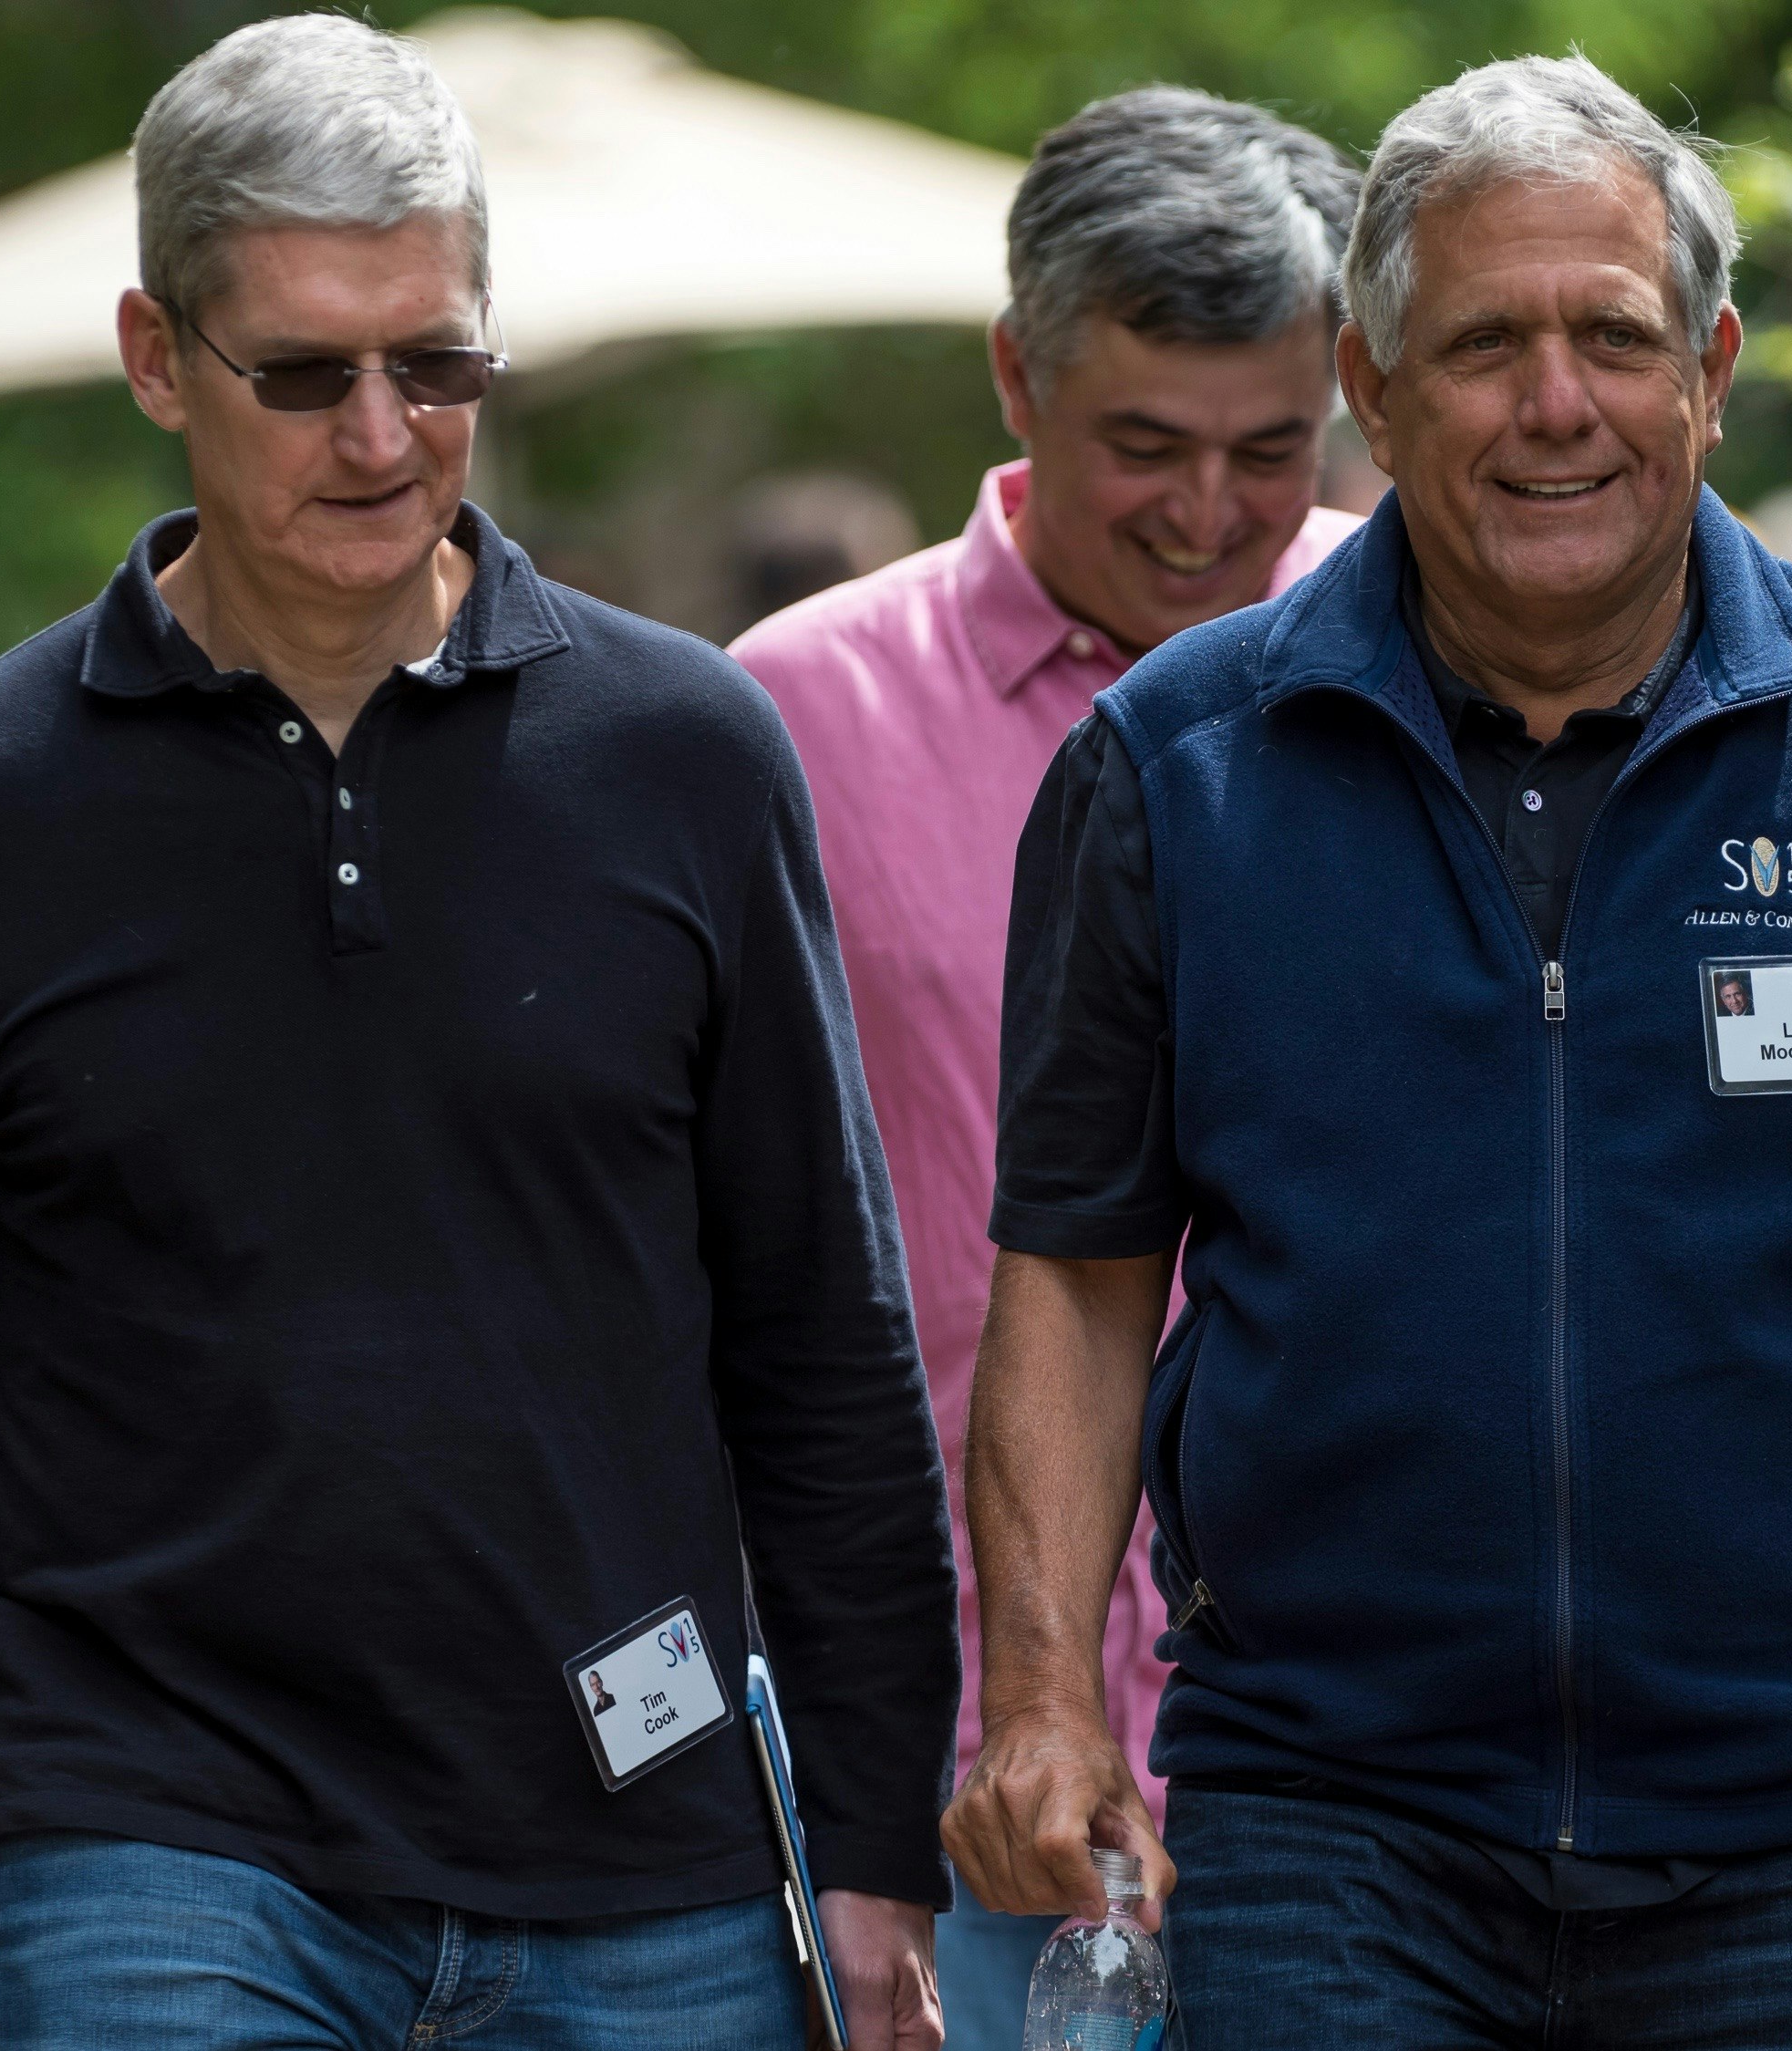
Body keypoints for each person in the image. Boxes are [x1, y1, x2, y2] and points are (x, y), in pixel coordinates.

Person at [944, 54, 1792, 2051]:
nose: (1554, 401)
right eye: (1483, 341)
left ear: (1712, 367)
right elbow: (1070, 1275)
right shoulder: (1177, 768)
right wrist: (1046, 1691)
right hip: (1336, 1823)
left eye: (1612, 334)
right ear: (1372, 385)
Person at [0, 19, 955, 2050]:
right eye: (302, 372)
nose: (380, 433)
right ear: (155, 358)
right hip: (149, 1833)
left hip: (636, 1846)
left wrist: (874, 1838)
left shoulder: (684, 757)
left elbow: (821, 1328)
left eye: (437, 362)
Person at [728, 86, 1361, 2050]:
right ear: (1016, 375)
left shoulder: (1428, 657)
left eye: (1270, 451)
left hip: (1380, 1747)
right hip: (956, 1754)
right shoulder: (790, 718)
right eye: (1141, 449)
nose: (1204, 514)